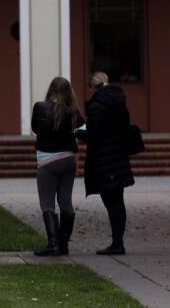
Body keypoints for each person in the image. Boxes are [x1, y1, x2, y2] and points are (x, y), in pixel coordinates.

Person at [76, 70, 135, 255]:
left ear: (93, 85)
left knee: (110, 202)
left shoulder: (97, 105)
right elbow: (124, 127)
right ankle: (119, 241)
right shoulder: (120, 102)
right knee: (119, 200)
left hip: (103, 158)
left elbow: (94, 135)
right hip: (119, 155)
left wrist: (77, 132)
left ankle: (117, 244)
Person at [31, 77, 84, 256]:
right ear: (69, 91)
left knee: (47, 203)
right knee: (66, 201)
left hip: (47, 160)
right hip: (68, 159)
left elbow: (35, 129)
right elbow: (83, 127)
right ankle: (64, 243)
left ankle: (53, 243)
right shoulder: (72, 111)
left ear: (51, 89)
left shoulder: (40, 107)